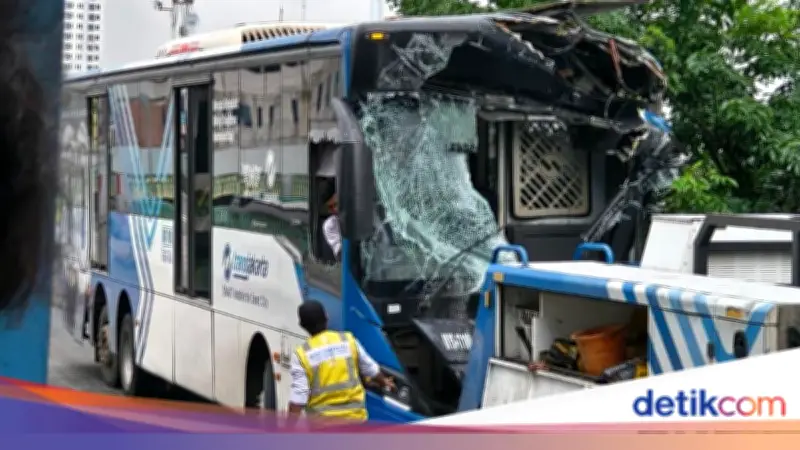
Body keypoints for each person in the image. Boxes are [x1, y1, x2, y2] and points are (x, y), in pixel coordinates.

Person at [287, 300, 395, 425]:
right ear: (327, 317)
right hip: (356, 422)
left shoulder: (302, 355)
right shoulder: (347, 340)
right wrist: (385, 382)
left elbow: (298, 397)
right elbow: (371, 370)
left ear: (302, 325)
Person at [321, 192, 342, 259]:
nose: (332, 210)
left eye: (335, 205)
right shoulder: (330, 224)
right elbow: (340, 249)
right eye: (330, 207)